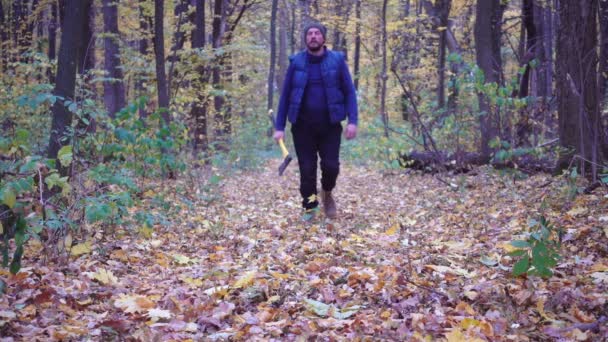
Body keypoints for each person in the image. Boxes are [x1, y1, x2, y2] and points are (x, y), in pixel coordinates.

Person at [273, 22, 358, 220]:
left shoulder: (337, 61)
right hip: (302, 127)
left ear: (323, 38)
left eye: (317, 33)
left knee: (331, 166)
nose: (313, 36)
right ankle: (310, 207)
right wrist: (279, 126)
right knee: (307, 170)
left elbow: (349, 92)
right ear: (305, 38)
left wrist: (352, 121)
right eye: (309, 33)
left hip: (330, 126)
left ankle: (327, 192)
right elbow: (285, 95)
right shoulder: (296, 62)